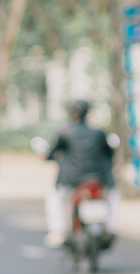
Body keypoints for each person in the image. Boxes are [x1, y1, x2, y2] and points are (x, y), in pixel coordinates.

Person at [42, 98, 115, 246]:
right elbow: (110, 154)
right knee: (112, 196)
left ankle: (58, 231)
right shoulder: (99, 133)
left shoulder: (65, 133)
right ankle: (110, 227)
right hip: (99, 178)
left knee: (54, 197)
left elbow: (51, 154)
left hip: (71, 180)